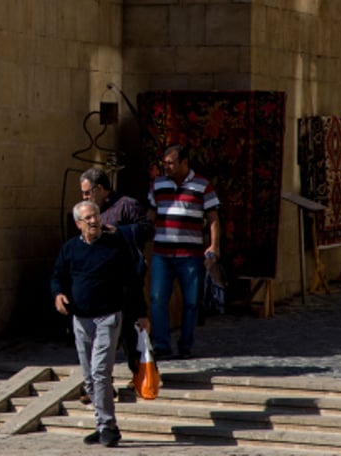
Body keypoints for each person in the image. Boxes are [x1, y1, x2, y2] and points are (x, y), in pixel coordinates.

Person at [51, 200, 149, 447]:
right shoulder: (70, 248)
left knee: (100, 372)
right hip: (80, 319)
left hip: (108, 316)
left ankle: (106, 426)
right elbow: (57, 276)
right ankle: (105, 424)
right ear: (78, 224)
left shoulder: (115, 246)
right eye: (88, 218)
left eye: (96, 216)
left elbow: (132, 282)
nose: (94, 221)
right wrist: (58, 294)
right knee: (88, 377)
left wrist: (141, 313)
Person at [147, 144, 219, 360]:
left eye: (171, 163)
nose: (166, 167)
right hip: (162, 253)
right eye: (165, 163)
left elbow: (213, 218)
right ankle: (161, 344)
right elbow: (151, 213)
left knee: (191, 301)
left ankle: (186, 344)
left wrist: (214, 246)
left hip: (190, 254)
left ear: (184, 163)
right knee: (157, 298)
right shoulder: (158, 184)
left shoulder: (202, 186)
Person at [81, 167, 153, 374]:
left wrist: (119, 232)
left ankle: (139, 373)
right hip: (99, 280)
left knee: (131, 327)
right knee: (99, 335)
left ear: (100, 189)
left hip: (126, 278)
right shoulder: (89, 212)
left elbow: (147, 229)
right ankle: (102, 381)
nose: (84, 197)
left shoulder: (126, 205)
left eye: (87, 192)